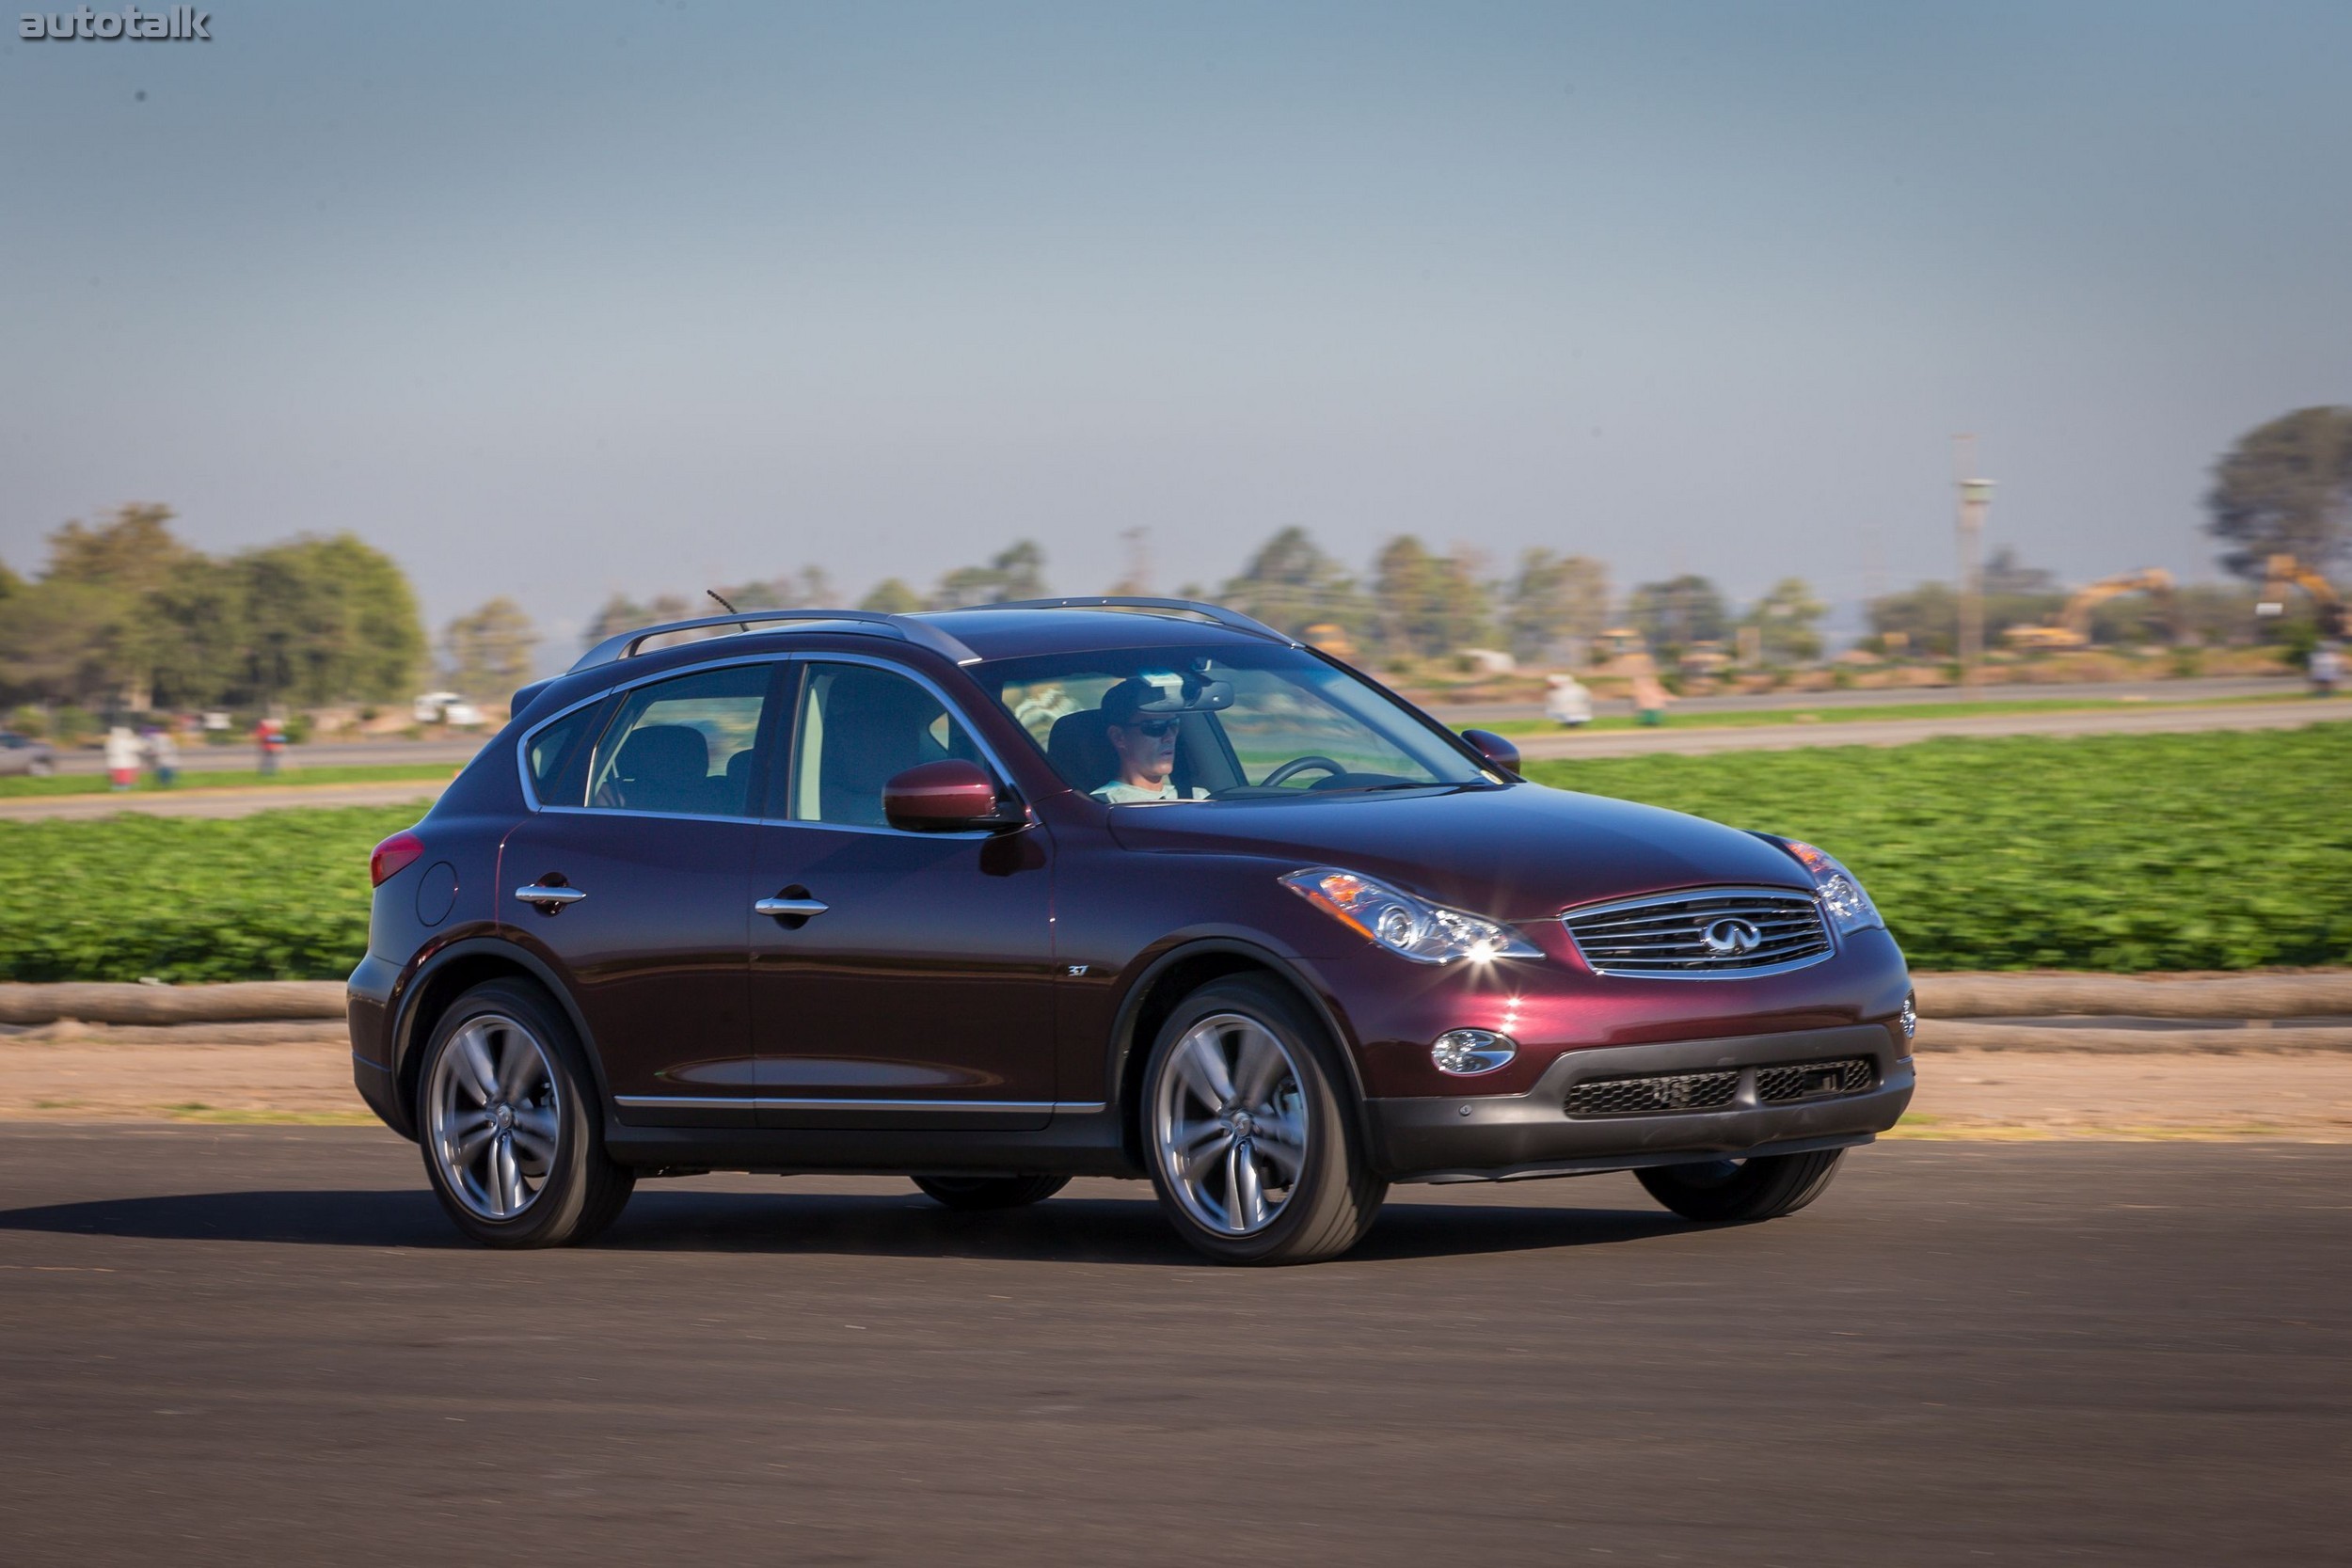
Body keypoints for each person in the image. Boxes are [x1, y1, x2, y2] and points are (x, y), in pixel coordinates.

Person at [1090, 676, 1209, 803]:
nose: (1169, 737)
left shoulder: (1200, 797)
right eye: (1155, 727)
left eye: (1174, 725)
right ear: (1118, 737)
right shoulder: (1100, 804)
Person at [103, 725, 139, 790]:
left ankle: (117, 785)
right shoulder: (124, 742)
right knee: (123, 774)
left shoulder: (112, 741)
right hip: (123, 761)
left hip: (116, 761)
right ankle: (123, 785)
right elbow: (135, 748)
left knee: (116, 774)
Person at [144, 723, 179, 788]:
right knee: (165, 770)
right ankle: (166, 784)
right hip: (165, 759)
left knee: (165, 770)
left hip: (165, 759)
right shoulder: (165, 738)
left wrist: (154, 752)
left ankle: (166, 783)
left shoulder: (156, 738)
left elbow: (151, 748)